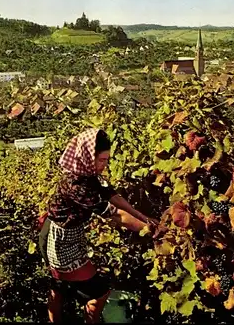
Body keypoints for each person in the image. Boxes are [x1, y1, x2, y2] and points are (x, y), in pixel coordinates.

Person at [38, 128, 158, 323]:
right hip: (59, 240)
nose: (105, 165)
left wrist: (143, 217)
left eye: (107, 160)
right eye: (101, 160)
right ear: (86, 157)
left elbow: (111, 195)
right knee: (100, 291)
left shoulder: (88, 175)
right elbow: (115, 214)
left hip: (64, 233)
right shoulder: (77, 185)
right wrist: (152, 232)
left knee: (58, 285)